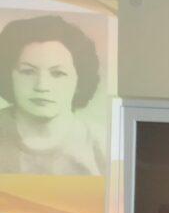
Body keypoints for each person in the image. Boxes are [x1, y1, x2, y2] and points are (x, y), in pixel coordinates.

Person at [0, 15, 105, 175]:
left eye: (58, 73)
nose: (42, 86)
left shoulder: (102, 145)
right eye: (28, 72)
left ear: (79, 80)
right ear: (8, 75)